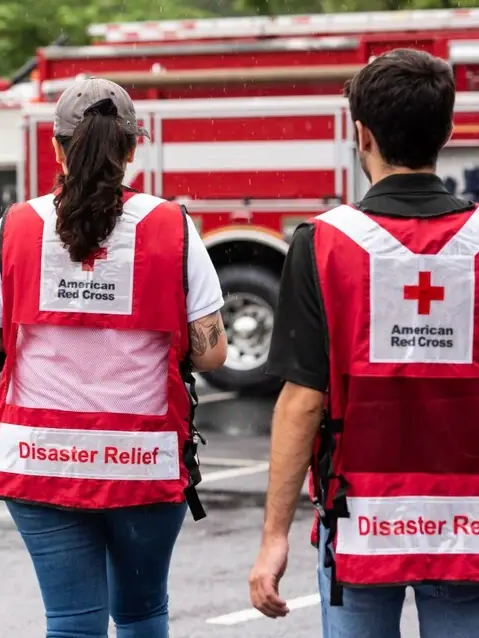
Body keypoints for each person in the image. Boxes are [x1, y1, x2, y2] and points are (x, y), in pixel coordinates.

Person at [0, 77, 228, 638]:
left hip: (39, 460)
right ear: (132, 148)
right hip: (146, 461)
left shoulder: (17, 227)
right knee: (140, 615)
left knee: (71, 623)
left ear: (57, 148)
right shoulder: (172, 226)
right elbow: (210, 354)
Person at [249, 48, 479, 638]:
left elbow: (302, 402)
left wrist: (275, 536)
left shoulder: (323, 243)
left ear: (361, 134)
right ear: (448, 131)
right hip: (469, 519)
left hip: (359, 517)